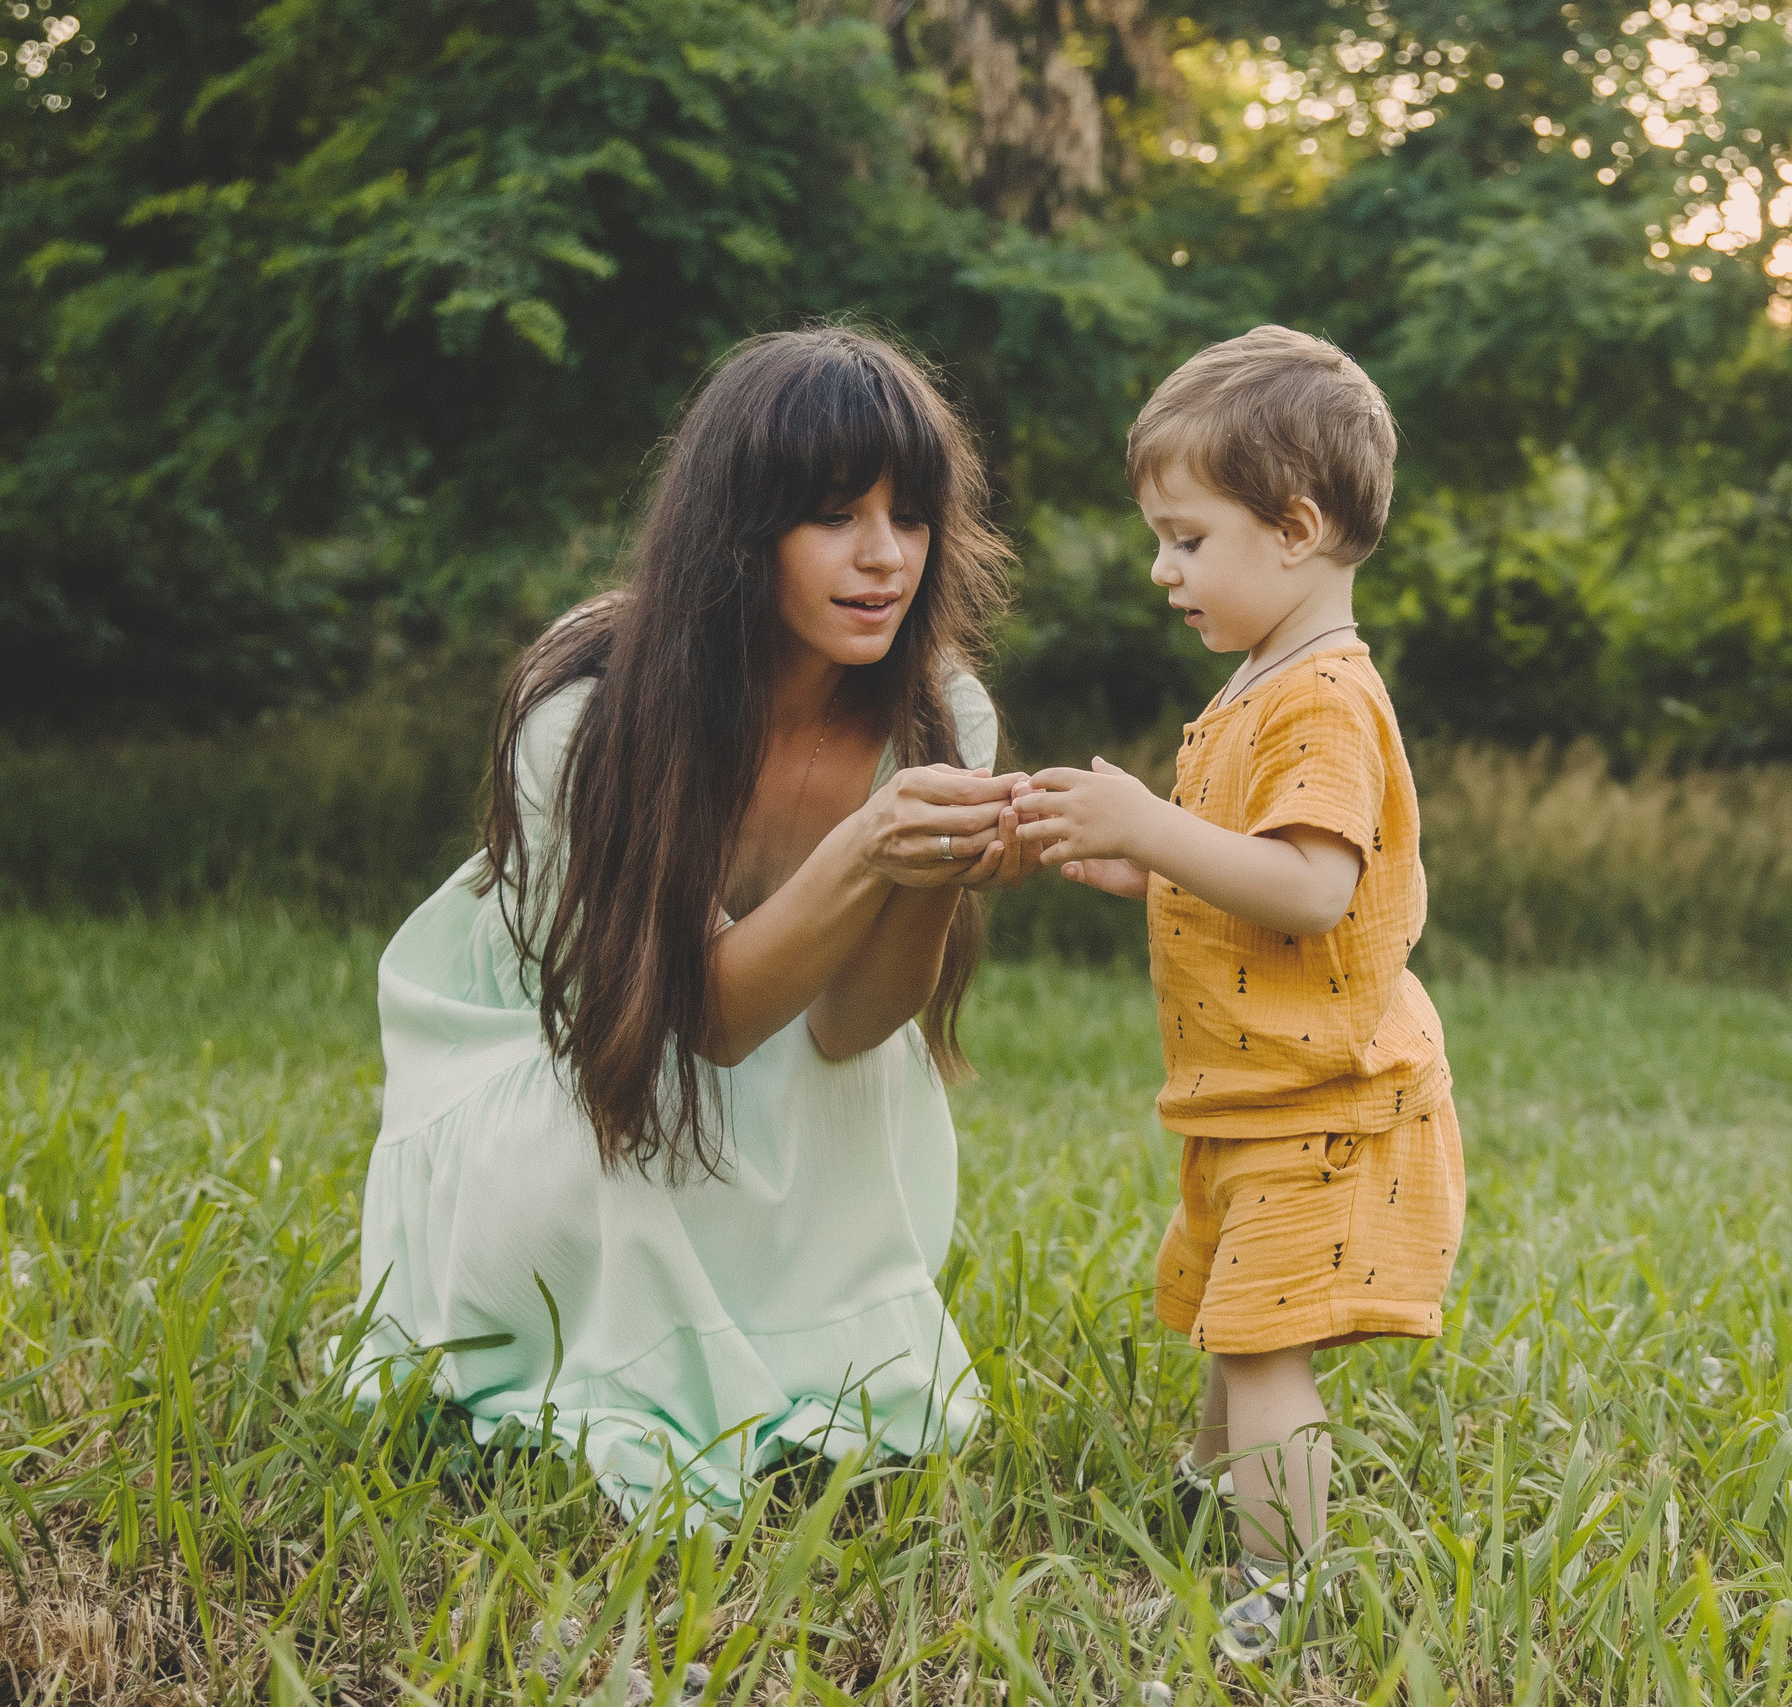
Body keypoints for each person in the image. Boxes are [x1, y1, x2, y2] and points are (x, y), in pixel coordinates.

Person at [349, 327, 1037, 1519]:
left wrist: (936, 874)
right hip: (556, 1080)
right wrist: (870, 848)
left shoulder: (938, 715)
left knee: (861, 1082)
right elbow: (697, 1026)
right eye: (834, 516)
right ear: (738, 531)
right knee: (651, 1108)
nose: (885, 559)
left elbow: (853, 1029)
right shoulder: (586, 718)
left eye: (911, 517)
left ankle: (792, 1342)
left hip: (761, 1074)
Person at [1010, 326, 1464, 1664]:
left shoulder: (1321, 699)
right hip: (1255, 1094)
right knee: (1231, 1323)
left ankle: (1286, 1588)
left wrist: (1150, 823)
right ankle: (1206, 1517)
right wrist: (1139, 861)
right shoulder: (1260, 686)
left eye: (1186, 536)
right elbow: (1252, 880)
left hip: (1324, 1101)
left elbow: (1317, 889)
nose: (1163, 567)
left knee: (1264, 1349)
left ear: (1297, 526)